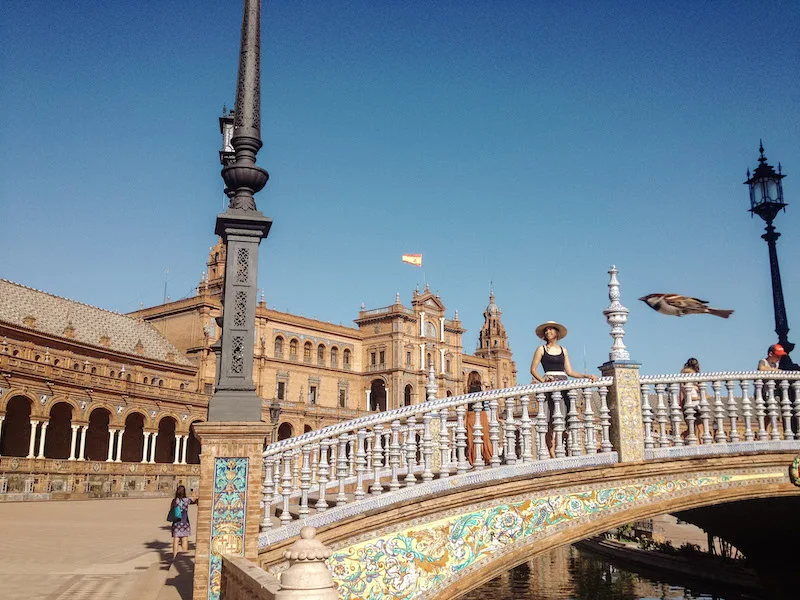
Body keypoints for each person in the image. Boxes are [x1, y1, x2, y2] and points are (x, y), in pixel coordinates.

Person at [529, 321, 597, 456]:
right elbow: (533, 369)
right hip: (550, 384)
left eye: (551, 330)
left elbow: (570, 371)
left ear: (556, 333)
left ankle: (563, 446)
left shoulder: (563, 350)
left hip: (563, 384)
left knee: (565, 416)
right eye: (546, 330)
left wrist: (585, 375)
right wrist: (543, 381)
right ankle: (551, 449)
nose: (548, 332)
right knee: (551, 419)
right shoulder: (541, 349)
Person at [170, 485, 198, 559]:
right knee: (184, 539)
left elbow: (171, 509)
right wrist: (194, 492)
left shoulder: (174, 500)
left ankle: (175, 556)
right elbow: (194, 500)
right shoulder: (186, 500)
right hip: (185, 522)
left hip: (176, 522)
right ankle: (184, 555)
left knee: (176, 539)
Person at [680, 357, 702, 440]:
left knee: (694, 428)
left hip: (690, 404)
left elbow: (681, 393)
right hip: (694, 404)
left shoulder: (684, 376)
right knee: (697, 429)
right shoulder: (697, 376)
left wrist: (681, 405)